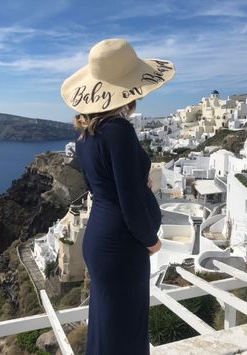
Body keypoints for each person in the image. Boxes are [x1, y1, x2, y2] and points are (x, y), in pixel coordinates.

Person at [60, 38, 175, 355]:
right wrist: (150, 238)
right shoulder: (118, 130)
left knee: (107, 325)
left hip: (101, 238)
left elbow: (106, 187)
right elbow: (128, 199)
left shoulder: (87, 133)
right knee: (125, 330)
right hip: (123, 243)